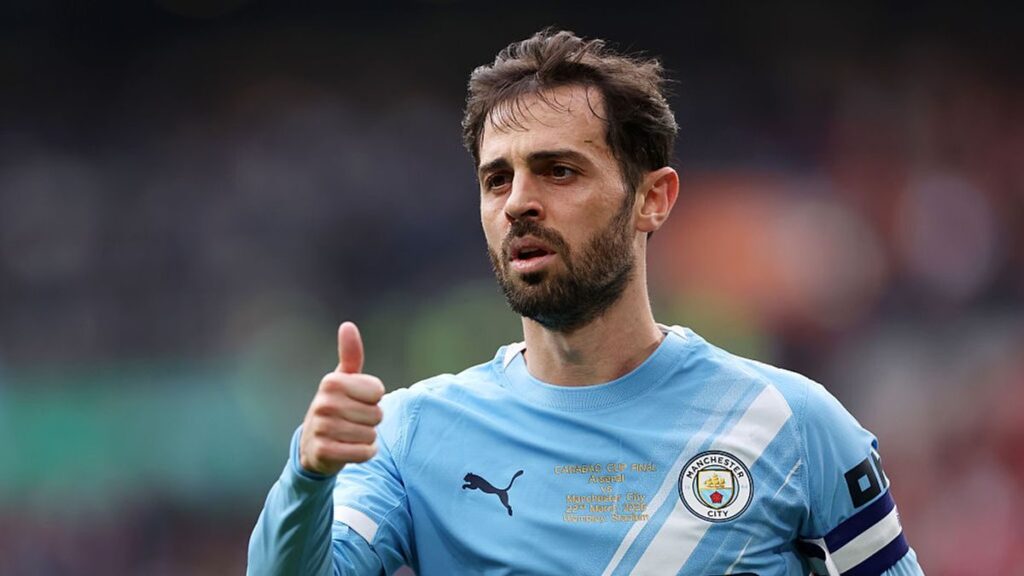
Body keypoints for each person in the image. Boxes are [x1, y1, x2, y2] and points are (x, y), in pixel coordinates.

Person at [248, 29, 925, 575]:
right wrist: (309, 475)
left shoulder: (790, 425)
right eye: (496, 179)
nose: (518, 202)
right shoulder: (409, 434)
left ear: (652, 199)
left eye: (559, 170)